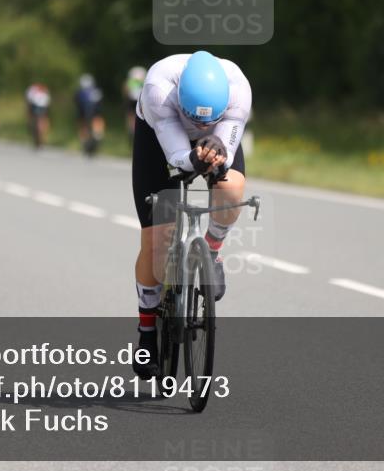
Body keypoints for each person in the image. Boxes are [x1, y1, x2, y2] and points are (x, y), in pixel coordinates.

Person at [129, 51, 252, 379]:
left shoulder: (238, 90)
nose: (199, 125)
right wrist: (194, 157)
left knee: (231, 191)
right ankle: (146, 331)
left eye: (206, 121)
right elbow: (177, 157)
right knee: (156, 242)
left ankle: (212, 250)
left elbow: (224, 155)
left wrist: (217, 149)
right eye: (193, 119)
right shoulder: (158, 90)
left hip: (217, 136)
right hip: (160, 140)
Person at [74, 74, 104, 155]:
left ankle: (85, 139)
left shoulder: (79, 92)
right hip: (93, 113)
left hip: (85, 113)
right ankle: (97, 134)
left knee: (83, 123)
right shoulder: (96, 90)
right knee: (96, 119)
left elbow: (76, 103)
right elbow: (100, 104)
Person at [122, 65, 147, 142]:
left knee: (130, 116)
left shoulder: (131, 77)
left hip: (131, 99)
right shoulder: (143, 74)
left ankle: (132, 131)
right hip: (141, 100)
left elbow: (125, 88)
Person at [25, 82, 51, 149]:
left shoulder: (32, 90)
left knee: (38, 123)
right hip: (41, 107)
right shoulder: (43, 90)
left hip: (37, 107)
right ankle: (40, 138)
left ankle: (39, 137)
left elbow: (29, 101)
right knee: (41, 122)